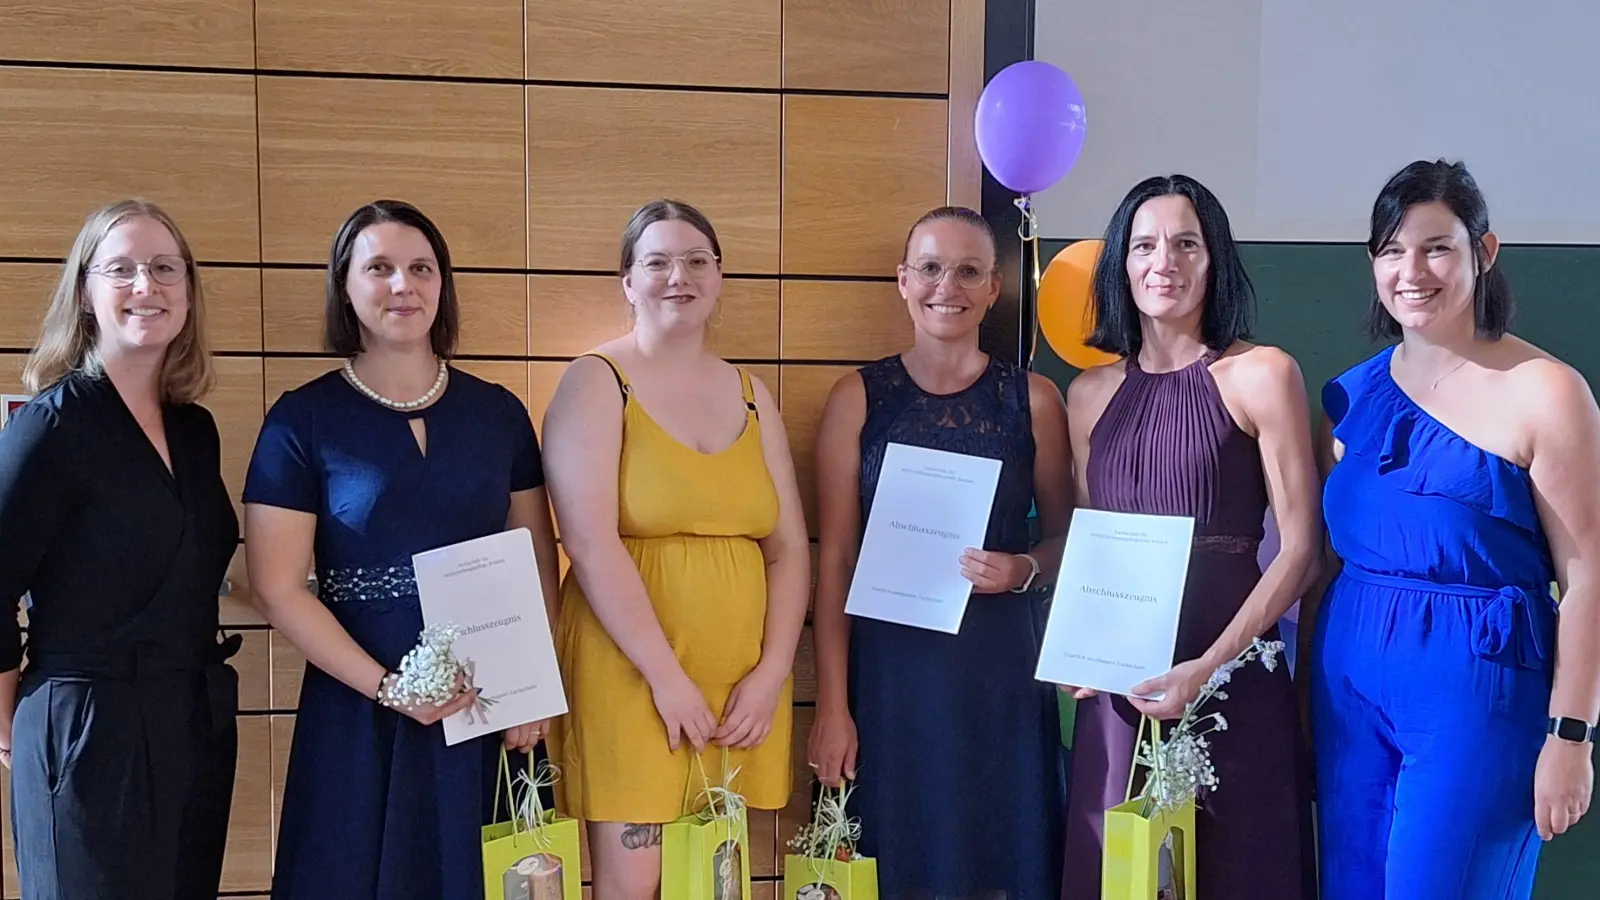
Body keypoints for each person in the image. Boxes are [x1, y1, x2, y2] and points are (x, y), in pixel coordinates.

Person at [241, 200, 560, 899]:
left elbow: (537, 557)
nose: (401, 285)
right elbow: (276, 586)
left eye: (421, 268)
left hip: (487, 703)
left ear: (442, 285)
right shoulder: (303, 419)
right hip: (358, 706)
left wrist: (534, 684)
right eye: (378, 268)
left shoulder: (498, 412)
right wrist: (391, 691)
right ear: (345, 286)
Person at [1307, 159, 1599, 899]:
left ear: (1484, 251)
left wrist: (1572, 737)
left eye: (1436, 246)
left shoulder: (1546, 392)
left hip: (1478, 690)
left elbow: (1591, 574)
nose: (1413, 270)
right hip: (1347, 686)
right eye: (1392, 250)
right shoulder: (1356, 395)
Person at [1057, 175, 1320, 899]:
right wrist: (1082, 645)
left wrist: (1207, 666)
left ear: (1214, 260)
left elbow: (1301, 551)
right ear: (1120, 262)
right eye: (1144, 244)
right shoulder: (1087, 394)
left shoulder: (1261, 374)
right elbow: (1094, 547)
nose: (1162, 261)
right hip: (1122, 686)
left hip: (1231, 672)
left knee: (1239, 868)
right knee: (1122, 873)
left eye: (1184, 243)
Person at [540, 199, 810, 899]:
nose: (677, 276)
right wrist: (667, 679)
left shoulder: (753, 394)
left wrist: (773, 672)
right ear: (627, 280)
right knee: (634, 887)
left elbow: (788, 550)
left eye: (696, 260)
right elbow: (590, 544)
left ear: (719, 276)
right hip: (634, 675)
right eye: (656, 261)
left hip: (739, 688)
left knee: (712, 883)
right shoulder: (596, 380)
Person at [807, 206, 1072, 899]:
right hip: (893, 677)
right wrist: (833, 705)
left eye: (967, 271)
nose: (945, 285)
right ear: (902, 280)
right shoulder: (856, 399)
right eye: (929, 267)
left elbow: (1070, 539)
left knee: (1002, 854)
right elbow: (834, 559)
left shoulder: (1034, 400)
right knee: (898, 857)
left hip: (1001, 674)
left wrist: (1023, 570)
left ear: (992, 289)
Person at [0, 199, 240, 899]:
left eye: (165, 269)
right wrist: (11, 731)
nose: (147, 287)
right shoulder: (49, 427)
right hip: (85, 726)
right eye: (123, 269)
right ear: (85, 291)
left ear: (189, 292)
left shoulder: (196, 432)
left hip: (191, 721)